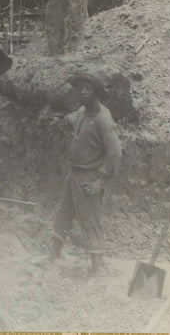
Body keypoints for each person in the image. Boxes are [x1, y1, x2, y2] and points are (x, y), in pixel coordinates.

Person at [37, 72, 122, 274]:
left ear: (97, 92)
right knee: (63, 213)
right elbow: (78, 124)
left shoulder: (103, 118)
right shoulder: (83, 112)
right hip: (74, 174)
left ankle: (96, 269)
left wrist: (101, 179)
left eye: (88, 88)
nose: (83, 92)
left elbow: (115, 152)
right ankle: (54, 254)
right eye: (80, 88)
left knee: (90, 220)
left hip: (89, 178)